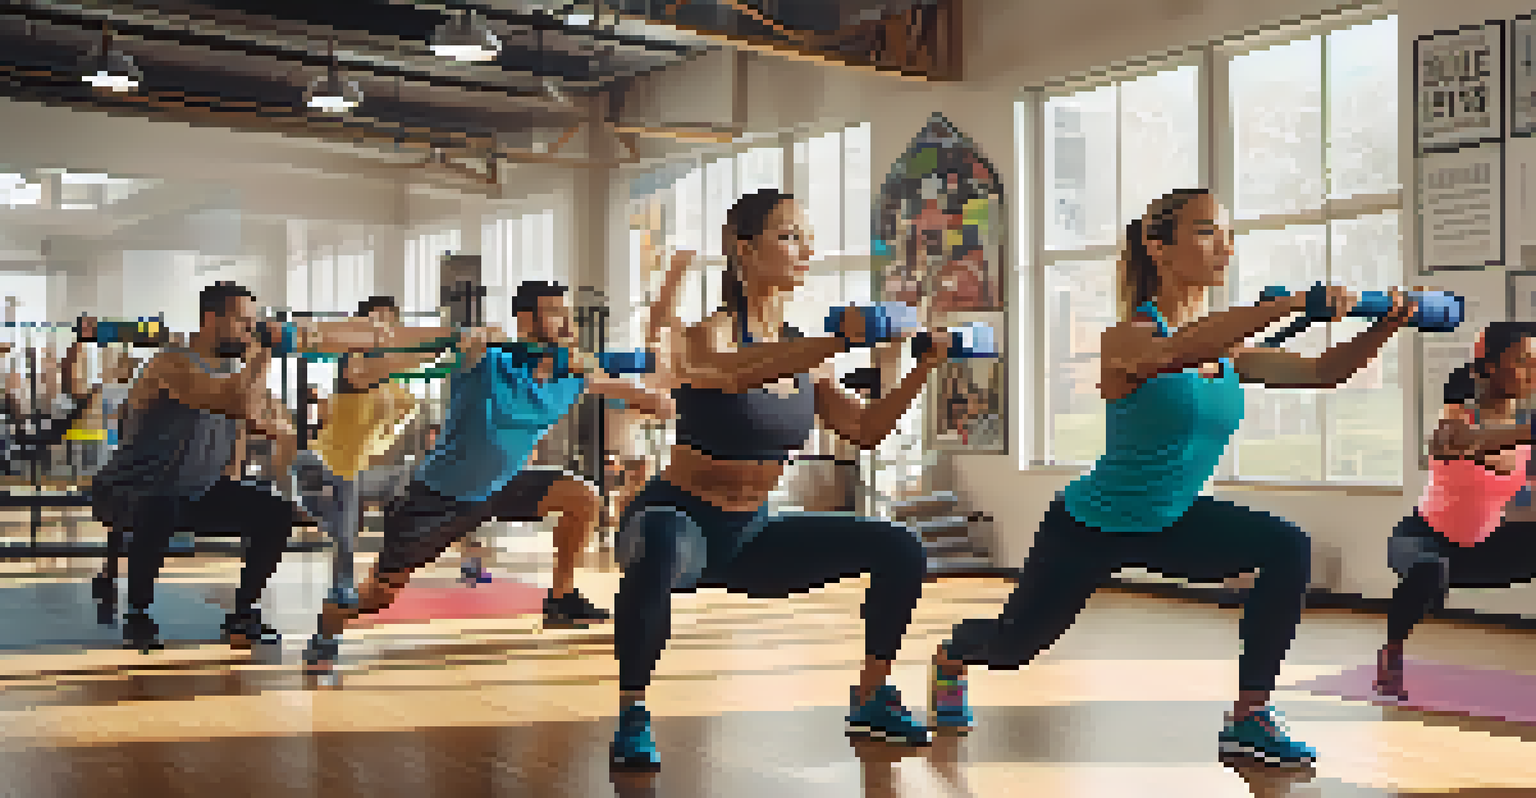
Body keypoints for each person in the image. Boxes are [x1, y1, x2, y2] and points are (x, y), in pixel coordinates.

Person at [927, 188, 1417, 770]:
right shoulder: (1128, 338)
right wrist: (1283, 307)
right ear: (1158, 248)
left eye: (1228, 234)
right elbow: (1176, 350)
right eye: (1207, 231)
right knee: (1013, 647)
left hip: (1172, 518)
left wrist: (1387, 323)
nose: (1225, 247)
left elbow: (1324, 372)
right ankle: (954, 653)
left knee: (1286, 545)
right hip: (1090, 525)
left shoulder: (1230, 352)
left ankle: (1250, 716)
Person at [609, 188, 944, 773]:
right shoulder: (706, 337)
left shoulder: (805, 353)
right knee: (661, 538)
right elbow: (737, 373)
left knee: (899, 546)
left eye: (806, 237)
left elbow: (863, 429)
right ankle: (633, 712)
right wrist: (840, 339)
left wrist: (921, 368)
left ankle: (871, 697)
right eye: (789, 236)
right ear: (744, 248)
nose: (805, 248)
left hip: (752, 535)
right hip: (678, 521)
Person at [302, 280, 674, 675]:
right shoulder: (486, 359)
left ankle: (561, 599)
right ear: (526, 320)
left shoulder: (573, 375)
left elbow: (630, 388)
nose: (567, 323)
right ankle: (328, 627)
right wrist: (461, 339)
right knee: (377, 596)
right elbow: (403, 361)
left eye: (568, 314)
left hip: (505, 484)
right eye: (555, 313)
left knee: (582, 497)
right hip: (440, 497)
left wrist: (654, 399)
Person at [1375, 322, 1536, 699]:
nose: (1533, 371)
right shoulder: (1459, 417)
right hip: (1424, 541)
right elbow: (1451, 443)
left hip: (1487, 551)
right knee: (1431, 568)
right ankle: (1392, 654)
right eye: (1524, 361)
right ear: (1492, 367)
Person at [296, 296, 443, 611]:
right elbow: (366, 378)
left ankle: (384, 569)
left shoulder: (398, 374)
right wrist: (443, 342)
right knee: (348, 521)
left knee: (413, 489)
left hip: (368, 465)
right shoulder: (355, 361)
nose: (382, 330)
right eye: (374, 324)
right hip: (332, 462)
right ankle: (342, 582)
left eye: (388, 323)